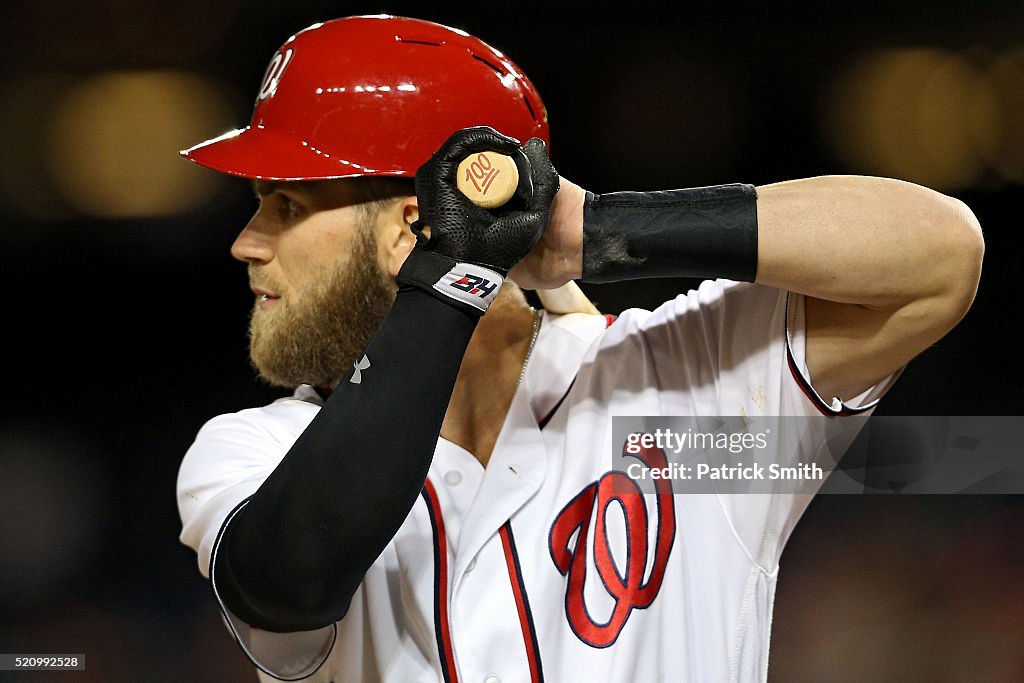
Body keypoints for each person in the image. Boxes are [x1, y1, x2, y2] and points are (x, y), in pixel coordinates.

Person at [176, 15, 984, 683]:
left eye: (284, 203)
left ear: (408, 224)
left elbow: (942, 256)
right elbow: (287, 581)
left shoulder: (682, 389)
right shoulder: (255, 449)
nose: (249, 242)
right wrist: (451, 279)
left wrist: (587, 232)